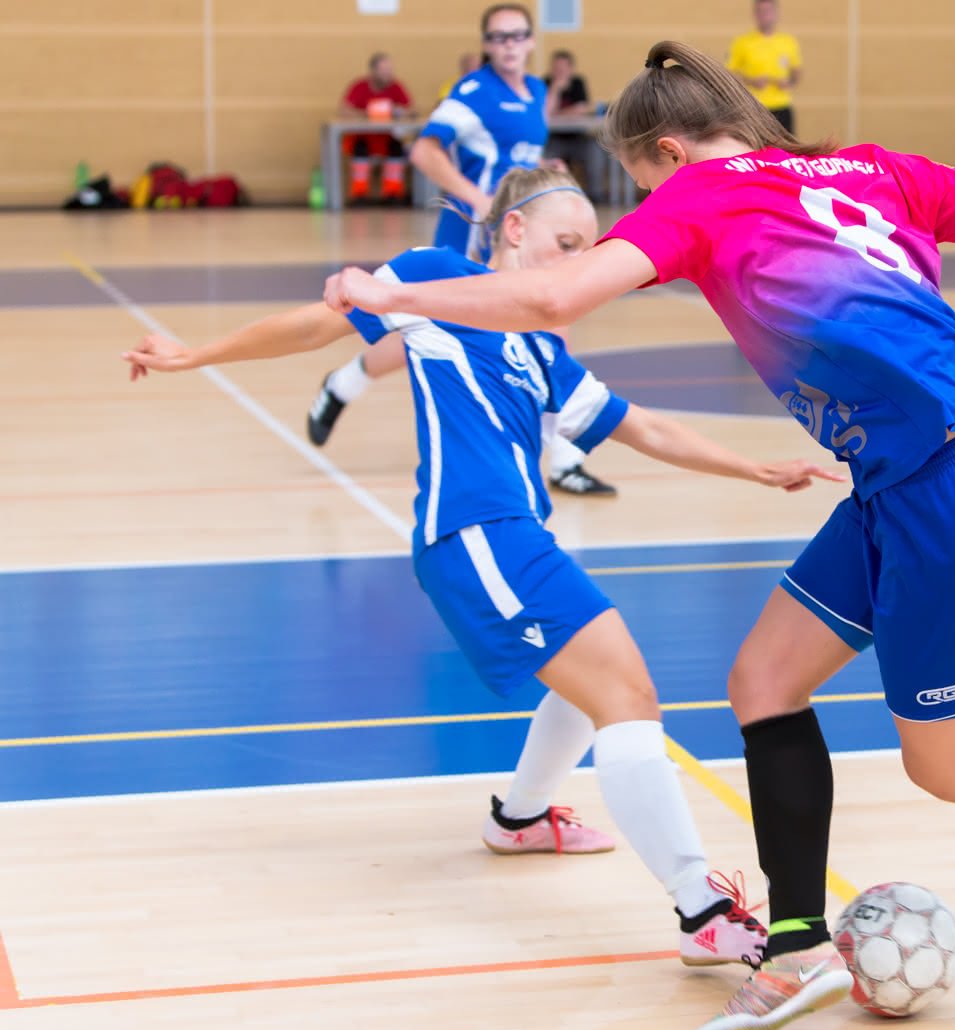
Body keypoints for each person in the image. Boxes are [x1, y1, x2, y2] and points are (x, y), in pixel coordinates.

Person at [324, 39, 955, 1030]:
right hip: (908, 481)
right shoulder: (873, 167)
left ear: (667, 150)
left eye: (641, 178)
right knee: (763, 679)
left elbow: (548, 300)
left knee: (945, 761)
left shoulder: (697, 196)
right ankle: (795, 949)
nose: (644, 198)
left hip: (950, 489)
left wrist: (393, 292)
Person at [120, 167, 850, 969]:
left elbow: (640, 427)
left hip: (513, 535)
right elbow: (315, 326)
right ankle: (701, 910)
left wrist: (754, 468)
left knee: (585, 685)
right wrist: (193, 356)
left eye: (587, 250)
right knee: (628, 694)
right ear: (513, 231)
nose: (578, 261)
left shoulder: (542, 347)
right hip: (473, 535)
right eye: (566, 245)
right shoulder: (439, 283)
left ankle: (519, 817)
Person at [309, 4, 617, 497]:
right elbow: (424, 151)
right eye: (498, 38)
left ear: (531, 40)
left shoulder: (536, 91)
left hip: (521, 233)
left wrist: (539, 172)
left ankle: (562, 457)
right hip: (472, 234)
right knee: (425, 331)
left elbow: (517, 155)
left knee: (555, 320)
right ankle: (343, 383)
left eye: (518, 35)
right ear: (487, 45)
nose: (509, 45)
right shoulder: (473, 92)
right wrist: (479, 199)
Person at [339, 52, 414, 204]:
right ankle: (359, 196)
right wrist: (365, 113)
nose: (388, 74)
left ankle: (392, 195)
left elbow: (412, 110)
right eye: (384, 70)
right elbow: (343, 110)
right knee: (360, 151)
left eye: (389, 70)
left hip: (388, 138)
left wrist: (398, 111)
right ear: (373, 71)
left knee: (397, 149)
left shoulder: (396, 87)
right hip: (364, 139)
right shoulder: (359, 87)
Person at [727, 0, 802, 133]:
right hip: (754, 106)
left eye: (768, 11)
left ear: (776, 14)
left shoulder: (788, 42)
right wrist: (751, 81)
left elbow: (796, 73)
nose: (764, 16)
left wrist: (788, 81)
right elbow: (731, 73)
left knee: (787, 149)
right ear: (754, 14)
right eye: (760, 12)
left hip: (782, 105)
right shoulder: (742, 42)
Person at [543, 50, 593, 185]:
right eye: (556, 68)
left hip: (577, 137)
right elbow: (546, 112)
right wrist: (555, 89)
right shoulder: (545, 83)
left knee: (595, 155)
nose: (559, 71)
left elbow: (582, 108)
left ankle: (596, 195)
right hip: (553, 138)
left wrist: (558, 113)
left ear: (570, 69)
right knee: (547, 157)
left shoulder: (577, 83)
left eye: (563, 68)